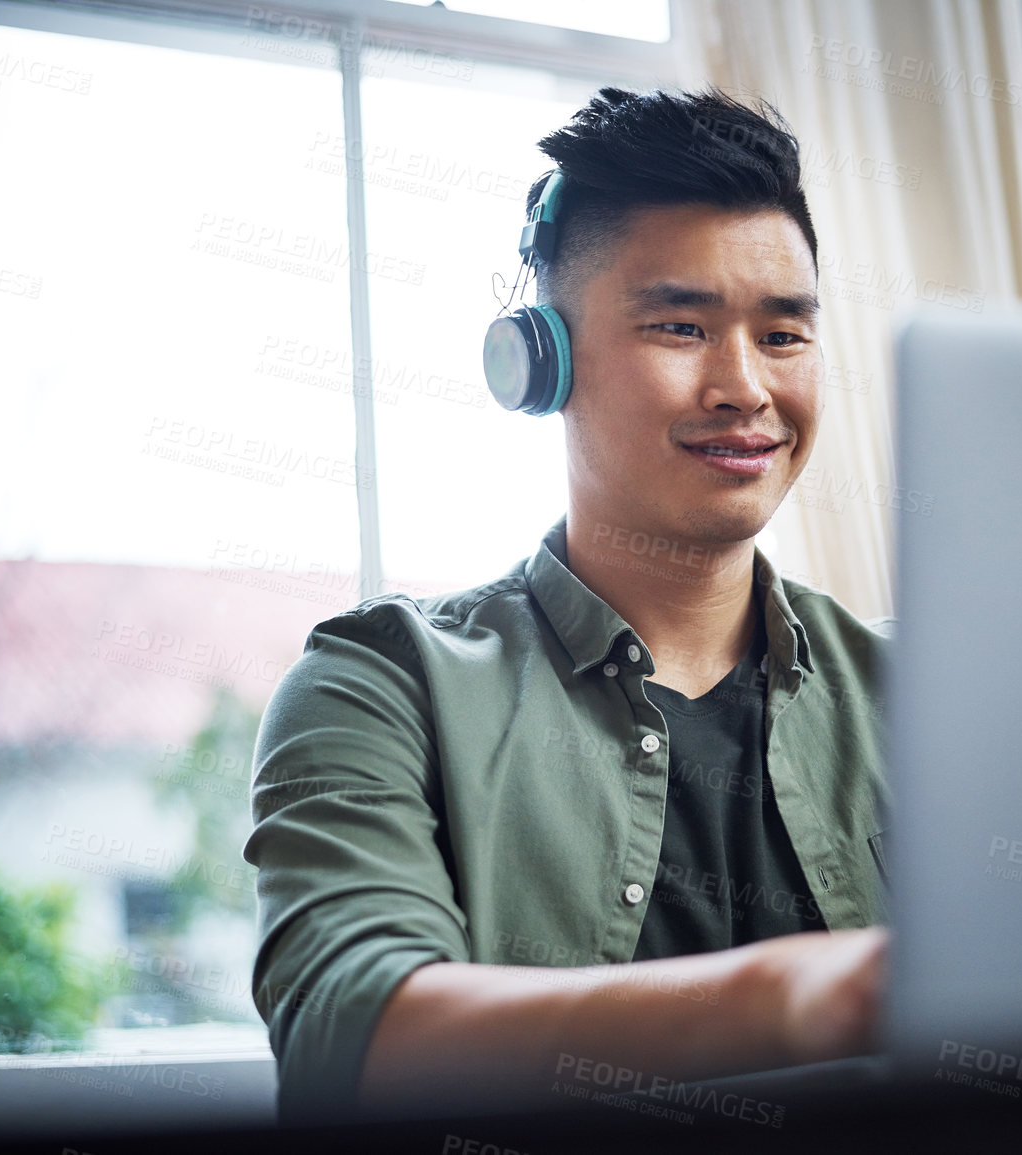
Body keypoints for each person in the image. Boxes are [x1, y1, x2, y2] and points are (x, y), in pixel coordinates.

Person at [244, 86, 890, 1124]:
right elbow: (345, 1038)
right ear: (539, 360)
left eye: (782, 336)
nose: (743, 388)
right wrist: (789, 997)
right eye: (680, 326)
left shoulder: (930, 692)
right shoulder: (380, 686)